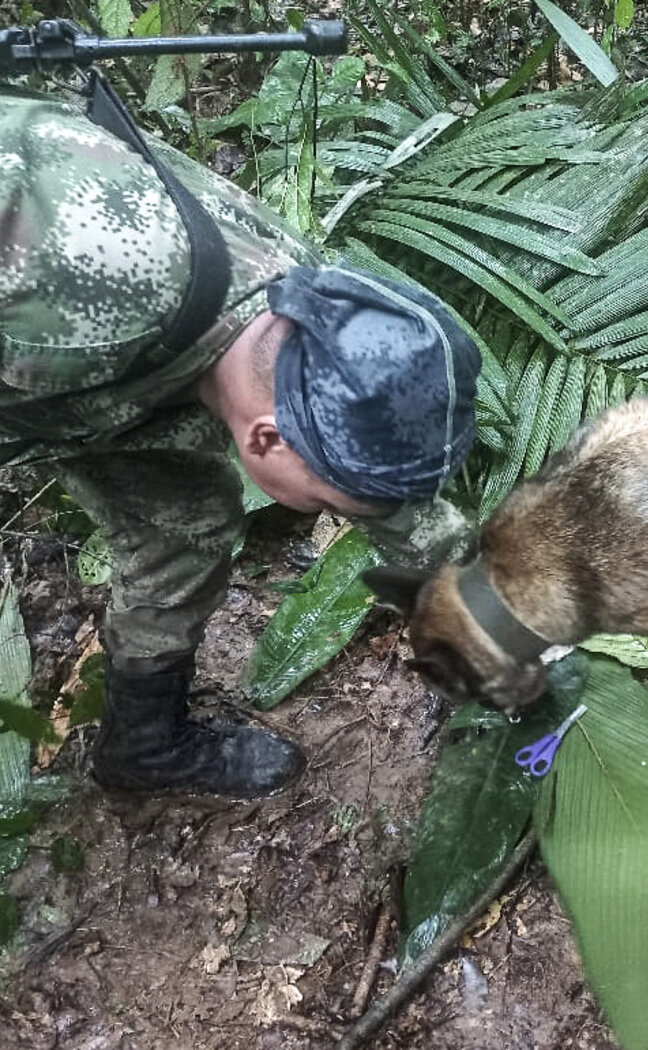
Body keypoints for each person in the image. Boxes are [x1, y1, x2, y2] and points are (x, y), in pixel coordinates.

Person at [0, 83, 481, 799]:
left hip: (110, 381)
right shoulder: (68, 302)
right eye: (326, 503)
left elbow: (387, 498)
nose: (335, 514)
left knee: (183, 525)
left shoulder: (310, 315)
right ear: (265, 436)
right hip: (53, 354)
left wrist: (484, 619)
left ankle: (142, 746)